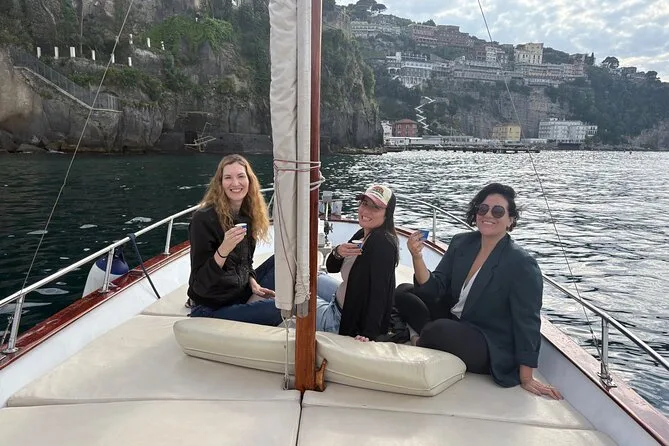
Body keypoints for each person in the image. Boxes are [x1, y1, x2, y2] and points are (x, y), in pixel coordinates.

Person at [395, 183, 563, 399]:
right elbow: (435, 288)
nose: (488, 215)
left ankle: (421, 339)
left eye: (498, 211)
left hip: (488, 341)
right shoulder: (462, 243)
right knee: (403, 293)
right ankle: (429, 336)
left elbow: (527, 320)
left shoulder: (521, 263)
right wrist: (417, 257)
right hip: (456, 320)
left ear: (511, 220)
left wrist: (526, 377)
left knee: (439, 329)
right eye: (483, 209)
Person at [186, 154, 281, 326]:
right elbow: (199, 284)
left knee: (285, 260)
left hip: (239, 292)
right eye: (228, 177)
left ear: (249, 181)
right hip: (211, 306)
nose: (235, 183)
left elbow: (246, 263)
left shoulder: (248, 215)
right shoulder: (203, 220)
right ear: (220, 183)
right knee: (282, 308)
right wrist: (224, 249)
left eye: (241, 176)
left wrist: (253, 283)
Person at [316, 185, 399, 341]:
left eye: (375, 207)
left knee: (297, 297)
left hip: (341, 318)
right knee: (308, 278)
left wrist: (369, 334)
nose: (366, 211)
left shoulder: (382, 243)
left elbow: (380, 293)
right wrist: (338, 252)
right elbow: (331, 268)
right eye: (364, 204)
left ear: (387, 214)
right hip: (342, 297)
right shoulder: (363, 233)